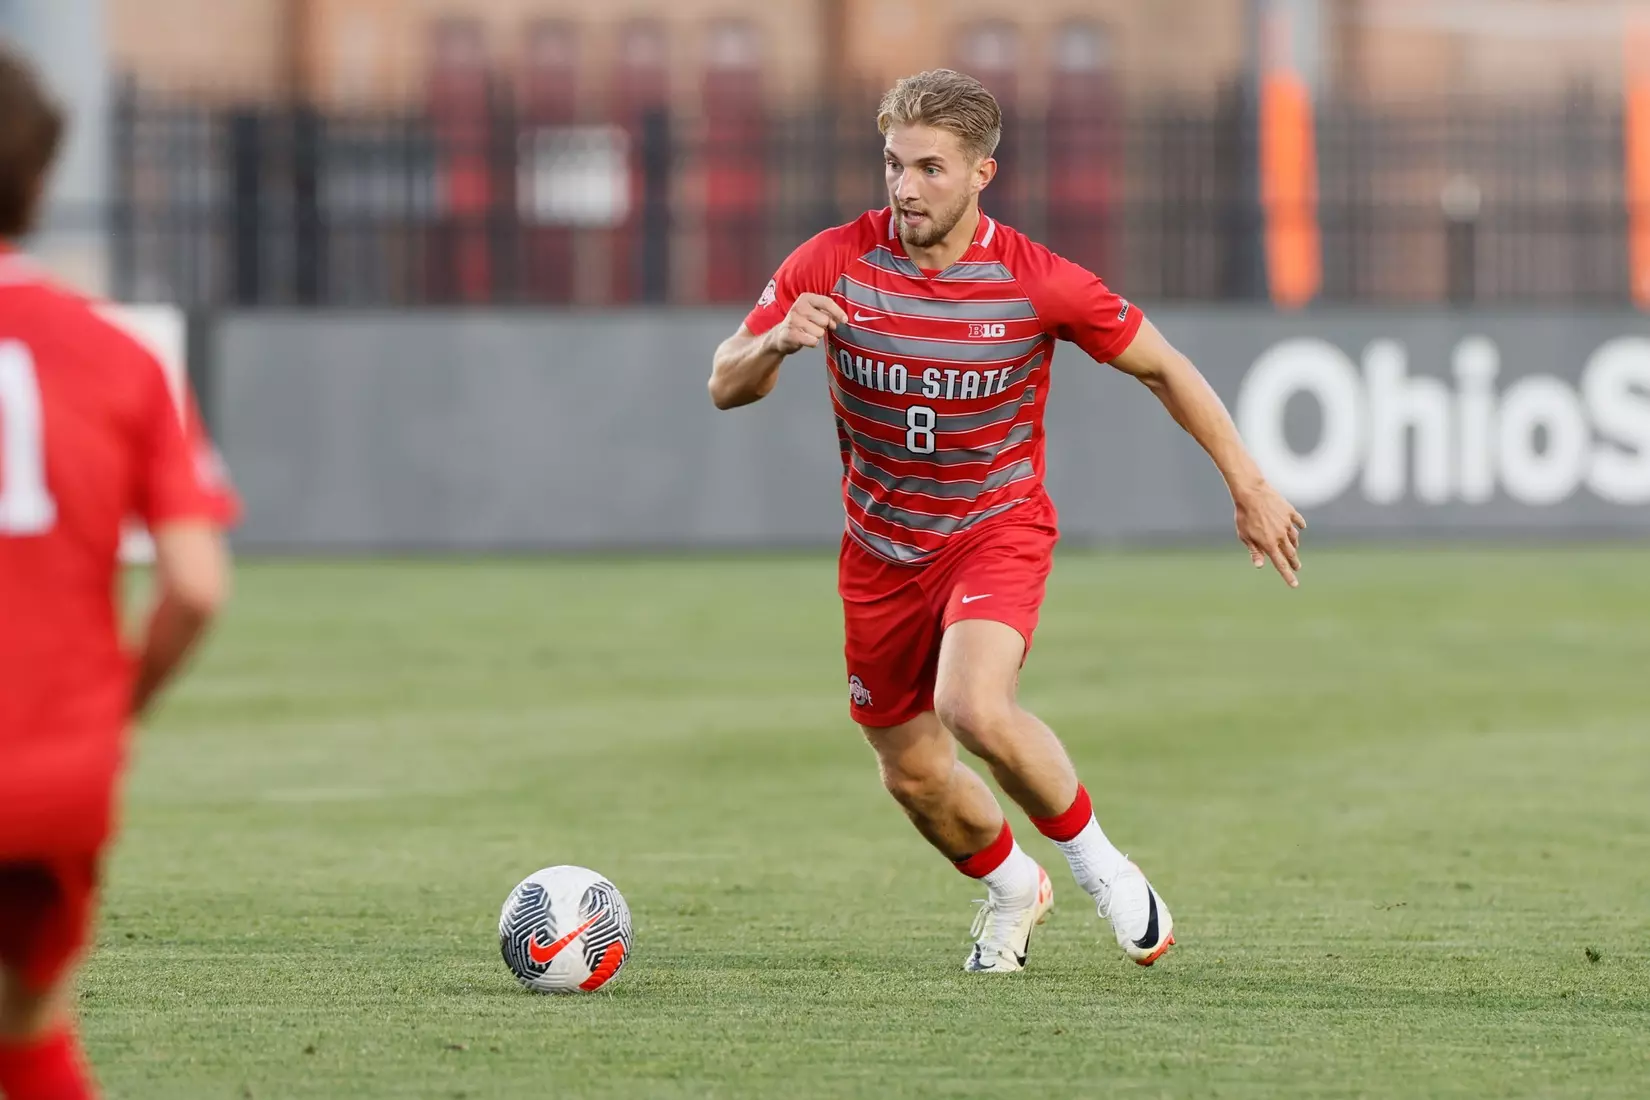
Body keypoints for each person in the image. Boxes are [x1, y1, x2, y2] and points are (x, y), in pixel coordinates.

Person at [707, 69, 1305, 973]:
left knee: (973, 706)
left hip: (996, 527)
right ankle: (1015, 888)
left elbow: (1164, 366)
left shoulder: (1034, 280)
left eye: (930, 169)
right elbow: (725, 383)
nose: (906, 187)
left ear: (983, 173)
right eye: (894, 164)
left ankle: (1103, 867)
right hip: (879, 550)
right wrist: (775, 340)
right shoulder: (830, 262)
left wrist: (1248, 484)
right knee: (912, 774)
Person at [0, 44, 238, 1097]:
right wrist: (113, 710)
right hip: (55, 774)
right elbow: (196, 585)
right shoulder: (119, 355)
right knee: (26, 1028)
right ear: (40, 181)